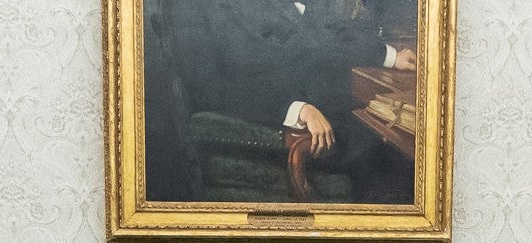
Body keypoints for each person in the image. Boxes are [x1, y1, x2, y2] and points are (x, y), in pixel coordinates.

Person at [162, 0, 417, 203]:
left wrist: (389, 55)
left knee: (396, 144)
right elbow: (208, 89)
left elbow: (321, 33)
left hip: (320, 113)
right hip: (271, 129)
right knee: (392, 158)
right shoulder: (190, 6)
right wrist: (295, 109)